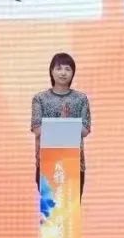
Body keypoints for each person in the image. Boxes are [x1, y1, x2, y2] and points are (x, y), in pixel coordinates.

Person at [31, 52, 91, 198]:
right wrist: (67, 124)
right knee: (50, 209)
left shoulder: (81, 99)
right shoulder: (40, 99)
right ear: (51, 71)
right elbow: (37, 128)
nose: (63, 73)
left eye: (67, 69)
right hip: (47, 161)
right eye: (59, 68)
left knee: (71, 209)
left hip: (74, 162)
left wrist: (56, 125)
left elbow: (85, 130)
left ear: (73, 73)